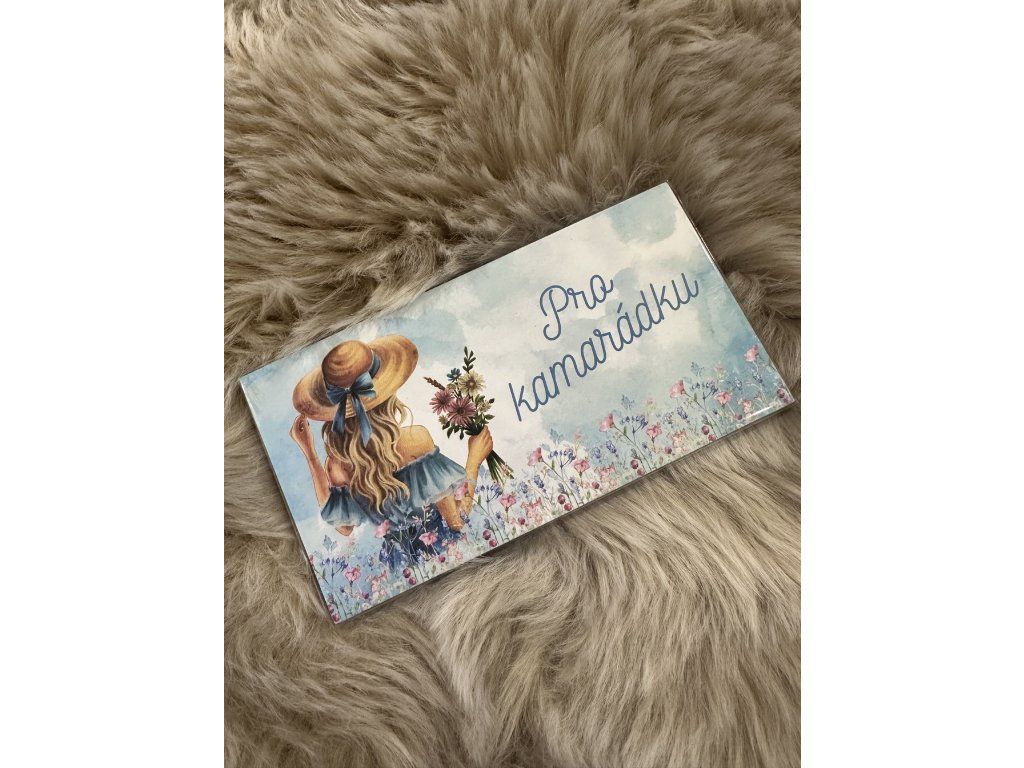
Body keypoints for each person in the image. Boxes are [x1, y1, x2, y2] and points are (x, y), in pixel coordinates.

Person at [289, 335, 493, 569]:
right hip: (444, 557)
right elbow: (457, 521)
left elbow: (343, 527)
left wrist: (310, 454)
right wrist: (474, 459)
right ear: (386, 392)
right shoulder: (416, 440)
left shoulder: (337, 465)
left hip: (400, 570)